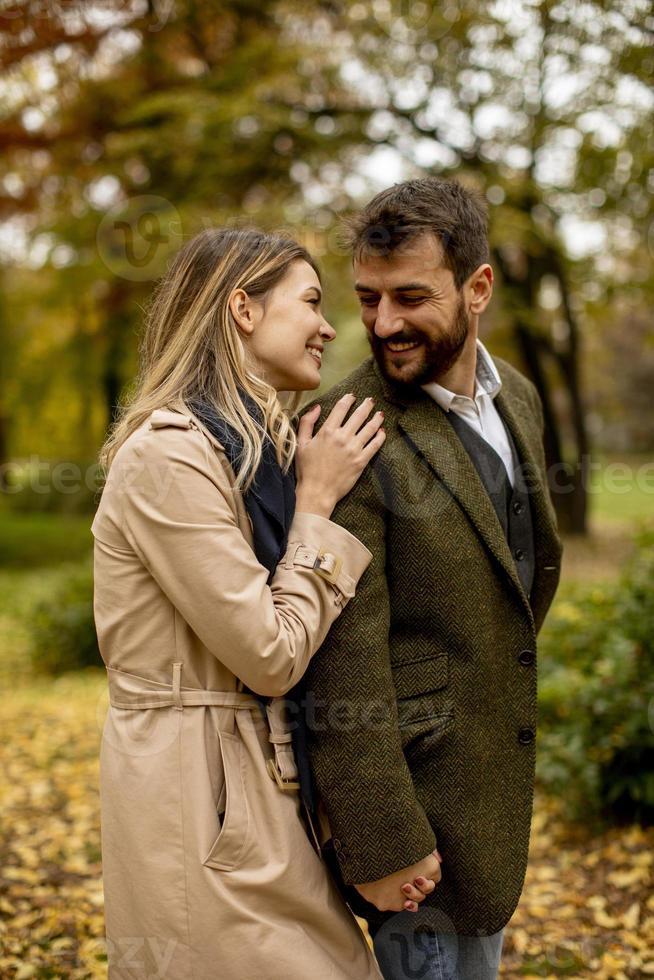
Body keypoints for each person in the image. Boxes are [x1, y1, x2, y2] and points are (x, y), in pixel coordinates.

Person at [91, 227, 440, 979]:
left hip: (264, 787)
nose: (327, 325)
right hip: (199, 794)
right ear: (241, 309)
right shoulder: (168, 455)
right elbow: (272, 653)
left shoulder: (254, 449)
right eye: (310, 302)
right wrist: (318, 501)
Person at [302, 177, 563, 980]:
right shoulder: (348, 429)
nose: (383, 324)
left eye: (410, 297)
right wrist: (382, 839)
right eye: (368, 298)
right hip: (411, 827)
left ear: (477, 287)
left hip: (491, 792)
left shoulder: (514, 393)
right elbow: (339, 656)